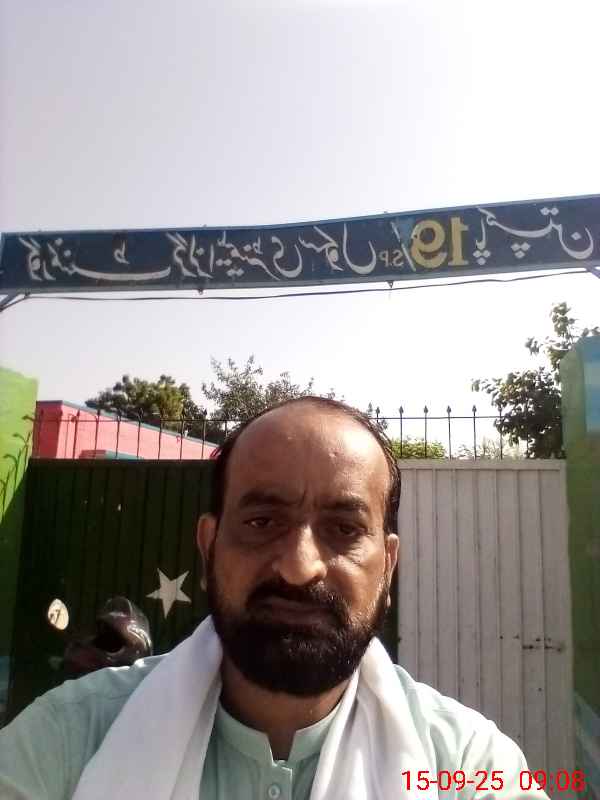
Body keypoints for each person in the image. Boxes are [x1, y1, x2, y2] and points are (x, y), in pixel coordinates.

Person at [0, 397, 548, 799]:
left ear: (388, 565)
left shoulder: (468, 765)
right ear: (208, 546)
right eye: (262, 522)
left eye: (343, 529)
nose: (299, 566)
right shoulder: (65, 742)